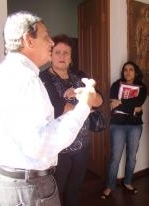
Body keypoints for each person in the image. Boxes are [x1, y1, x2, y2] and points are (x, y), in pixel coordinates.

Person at [0, 11, 97, 206]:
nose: (51, 42)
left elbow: (99, 100)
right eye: (46, 36)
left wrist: (89, 98)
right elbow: (39, 146)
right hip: (29, 189)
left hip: (5, 181)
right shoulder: (30, 80)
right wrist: (83, 107)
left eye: (66, 52)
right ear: (28, 40)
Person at [39, 34, 103, 206]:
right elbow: (59, 110)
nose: (61, 56)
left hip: (82, 145)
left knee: (75, 188)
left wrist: (82, 95)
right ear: (51, 55)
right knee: (57, 190)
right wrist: (86, 103)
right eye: (57, 52)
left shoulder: (79, 75)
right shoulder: (43, 79)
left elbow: (100, 100)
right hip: (60, 150)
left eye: (66, 53)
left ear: (71, 57)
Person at [101, 61, 147, 199]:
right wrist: (132, 107)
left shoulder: (142, 87)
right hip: (117, 125)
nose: (128, 72)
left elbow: (138, 104)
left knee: (132, 157)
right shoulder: (116, 85)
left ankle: (127, 182)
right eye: (125, 70)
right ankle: (109, 186)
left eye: (131, 69)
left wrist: (121, 102)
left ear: (136, 72)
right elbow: (113, 106)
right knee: (115, 157)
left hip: (135, 125)